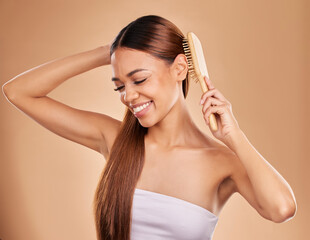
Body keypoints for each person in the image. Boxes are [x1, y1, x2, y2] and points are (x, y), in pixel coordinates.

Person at [2, 15, 297, 240]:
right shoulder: (115, 140)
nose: (128, 96)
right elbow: (18, 92)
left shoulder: (223, 162)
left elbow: (281, 209)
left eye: (139, 80)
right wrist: (108, 52)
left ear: (180, 69)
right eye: (119, 85)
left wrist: (234, 137)